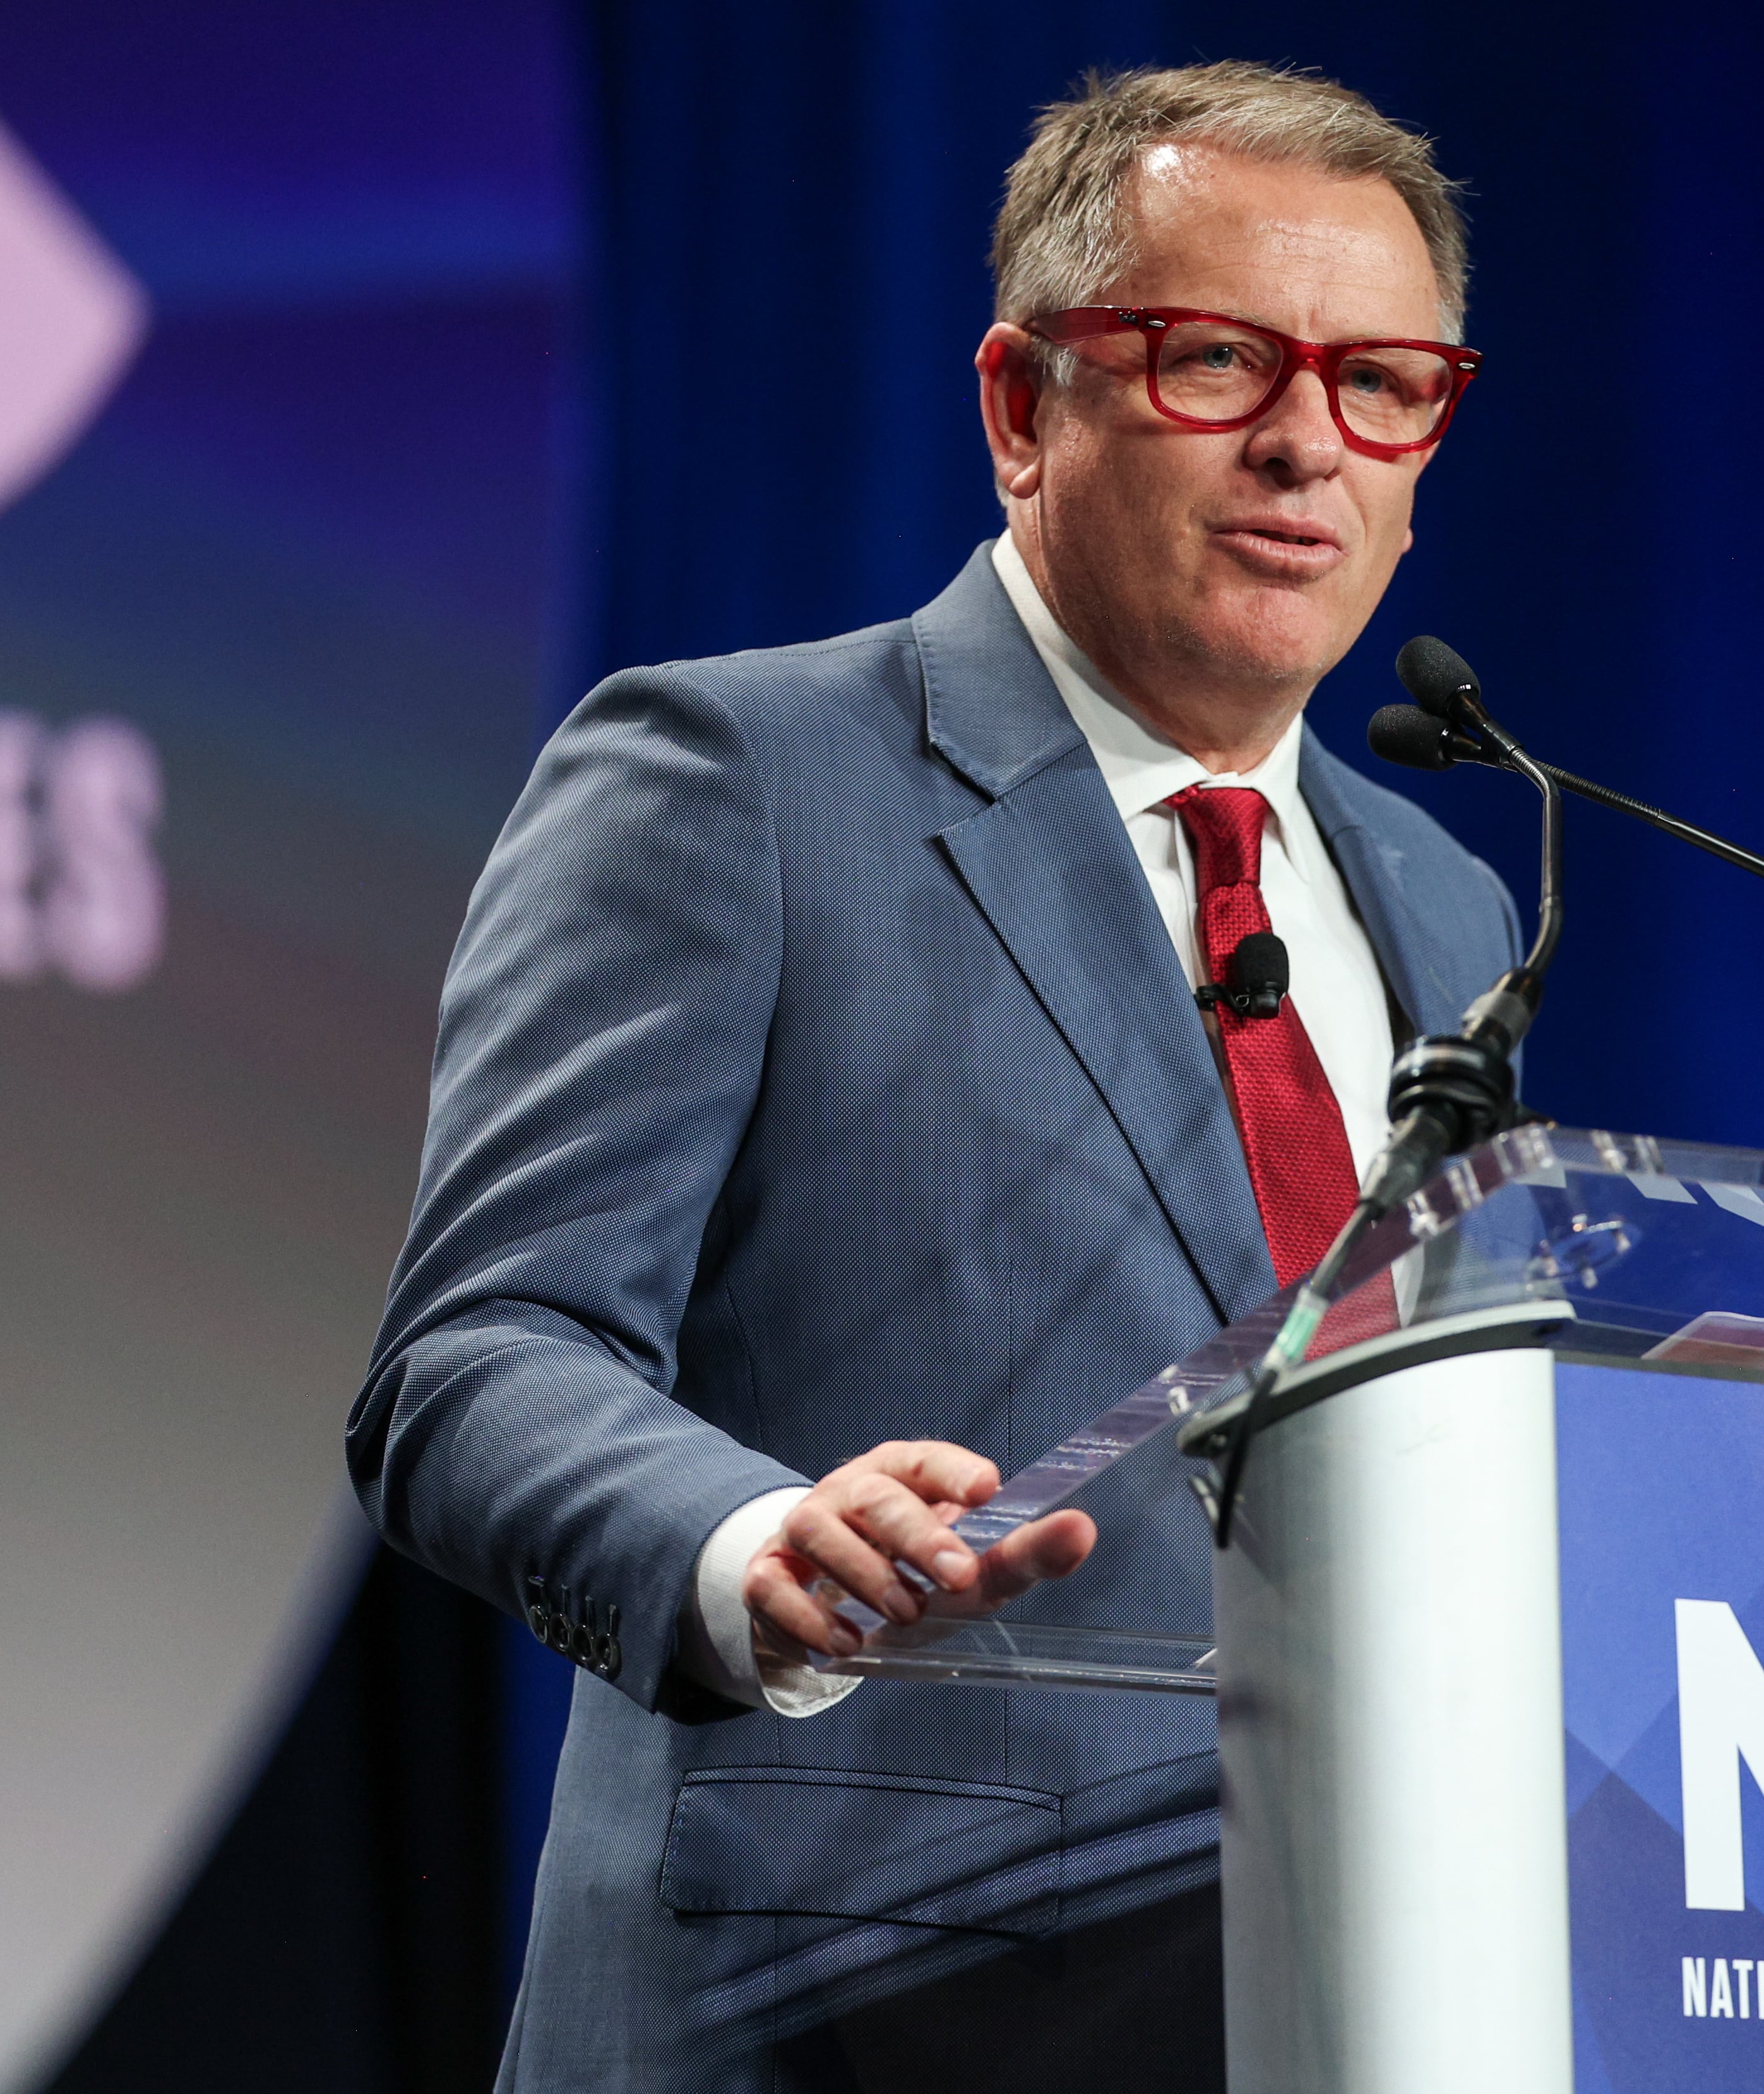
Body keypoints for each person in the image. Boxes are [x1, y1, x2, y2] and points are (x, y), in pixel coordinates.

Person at [350, 61, 1518, 2089]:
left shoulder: (1446, 898)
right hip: (851, 2011)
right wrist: (750, 1545)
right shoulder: (739, 786)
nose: (1305, 446)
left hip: (1336, 2001)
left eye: (1382, 384)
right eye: (1217, 360)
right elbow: (475, 1360)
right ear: (1018, 408)